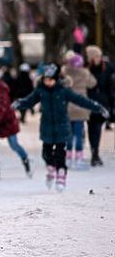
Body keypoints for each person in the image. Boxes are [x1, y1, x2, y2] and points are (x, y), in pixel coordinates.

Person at [12, 63, 108, 191]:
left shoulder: (64, 91)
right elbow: (29, 101)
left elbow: (81, 100)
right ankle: (51, 169)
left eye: (50, 80)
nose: (48, 82)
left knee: (60, 154)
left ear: (56, 79)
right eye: (46, 79)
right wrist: (19, 103)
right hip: (47, 128)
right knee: (45, 153)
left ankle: (61, 175)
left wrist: (98, 107)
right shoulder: (40, 91)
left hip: (62, 127)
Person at [62, 53, 97, 168]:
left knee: (68, 134)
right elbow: (93, 83)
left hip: (68, 107)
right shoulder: (85, 73)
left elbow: (60, 84)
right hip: (81, 107)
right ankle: (79, 158)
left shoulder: (65, 73)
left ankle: (68, 157)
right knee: (79, 134)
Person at [85, 45, 115, 166]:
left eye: (99, 55)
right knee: (91, 128)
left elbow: (110, 86)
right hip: (89, 103)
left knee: (97, 128)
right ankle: (94, 152)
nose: (98, 58)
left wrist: (111, 103)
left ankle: (95, 152)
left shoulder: (107, 68)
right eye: (96, 56)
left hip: (102, 102)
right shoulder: (86, 70)